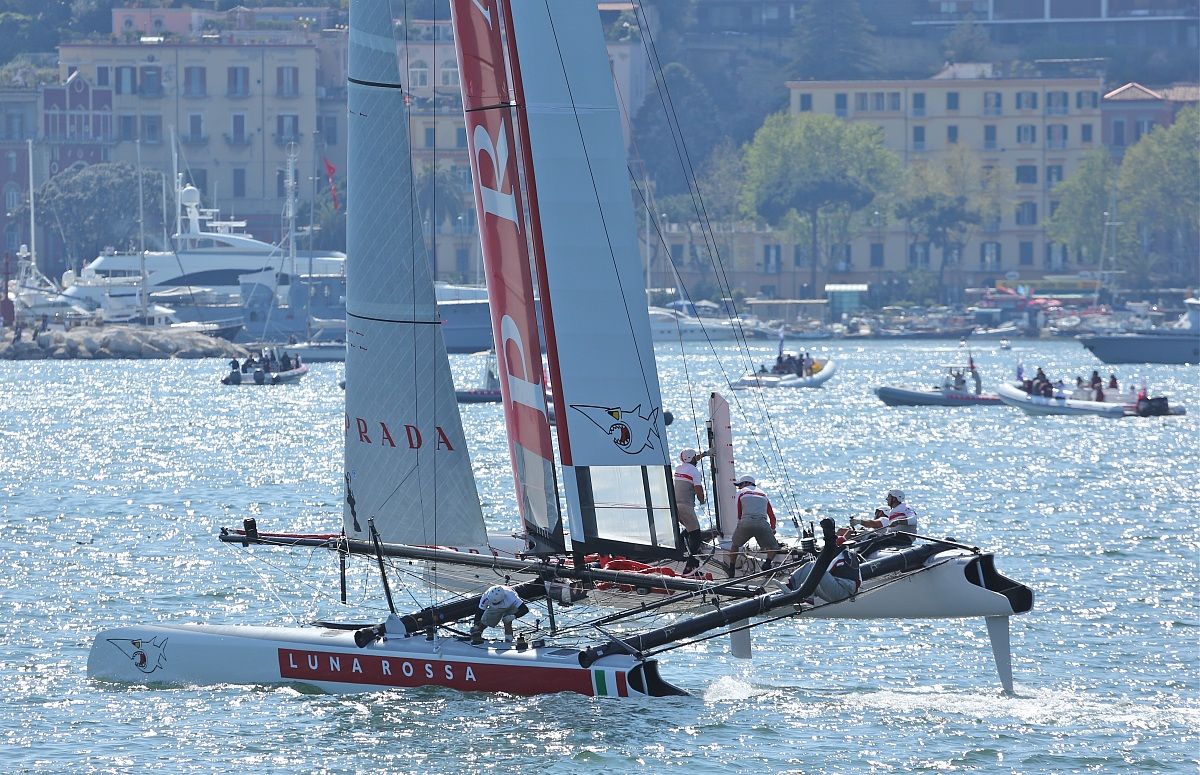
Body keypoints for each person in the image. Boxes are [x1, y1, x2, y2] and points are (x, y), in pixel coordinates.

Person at [728, 474, 780, 576]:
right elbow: (772, 516)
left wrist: (741, 525)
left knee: (735, 544)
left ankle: (731, 569)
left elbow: (739, 513)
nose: (739, 487)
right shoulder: (763, 494)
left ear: (746, 483)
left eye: (740, 485)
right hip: (762, 523)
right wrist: (772, 529)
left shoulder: (741, 493)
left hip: (746, 522)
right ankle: (767, 563)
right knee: (774, 546)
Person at [673, 448, 709, 572]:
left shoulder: (679, 468)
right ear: (692, 458)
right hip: (685, 506)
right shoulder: (694, 471)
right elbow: (698, 488)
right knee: (696, 535)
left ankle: (678, 546)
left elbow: (692, 460)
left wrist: (705, 454)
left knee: (689, 530)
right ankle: (690, 565)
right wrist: (702, 500)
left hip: (675, 506)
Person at [788, 543, 860, 604]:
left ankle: (796, 592)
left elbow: (822, 571)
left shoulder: (839, 557)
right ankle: (800, 593)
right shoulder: (851, 555)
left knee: (813, 566)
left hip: (840, 593)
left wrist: (819, 559)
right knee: (814, 572)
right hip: (848, 594)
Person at [851, 489, 919, 554]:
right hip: (895, 537)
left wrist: (898, 522)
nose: (887, 499)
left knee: (875, 539)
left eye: (889, 497)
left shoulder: (905, 507)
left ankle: (859, 556)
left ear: (895, 498)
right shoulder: (894, 511)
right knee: (872, 536)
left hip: (903, 538)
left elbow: (913, 520)